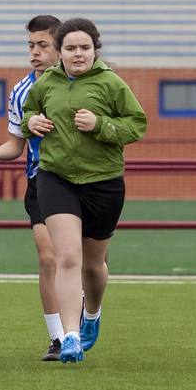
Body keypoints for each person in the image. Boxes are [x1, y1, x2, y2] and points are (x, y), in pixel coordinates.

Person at [23, 18, 147, 364]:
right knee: (66, 257)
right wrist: (31, 122)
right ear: (59, 52)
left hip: (103, 182)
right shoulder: (47, 82)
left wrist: (101, 125)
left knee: (93, 266)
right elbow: (29, 110)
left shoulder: (111, 84)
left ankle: (91, 314)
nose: (78, 54)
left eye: (85, 48)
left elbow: (137, 124)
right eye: (71, 48)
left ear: (95, 49)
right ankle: (70, 337)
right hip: (56, 177)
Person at [0, 14, 64, 360]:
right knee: (49, 257)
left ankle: (82, 324)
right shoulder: (21, 91)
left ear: (60, 48)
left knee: (86, 264)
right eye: (31, 46)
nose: (35, 52)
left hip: (82, 182)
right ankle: (58, 339)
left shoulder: (81, 85)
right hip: (42, 181)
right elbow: (15, 146)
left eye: (43, 45)